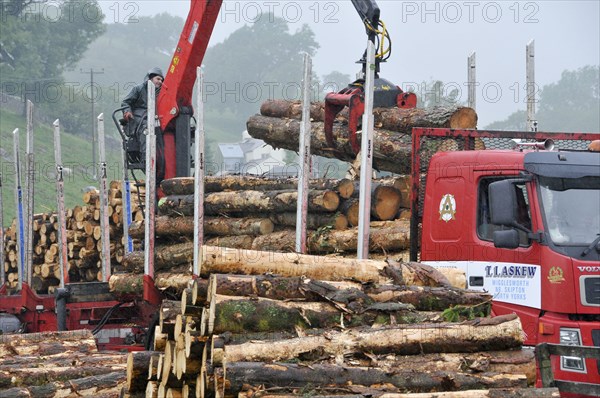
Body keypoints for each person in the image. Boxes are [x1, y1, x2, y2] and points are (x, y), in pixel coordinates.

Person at [121, 67, 165, 182]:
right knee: (146, 129)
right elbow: (126, 102)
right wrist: (127, 111)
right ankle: (147, 159)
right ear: (150, 78)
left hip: (154, 118)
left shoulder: (161, 93)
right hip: (138, 119)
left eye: (161, 80)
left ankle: (163, 158)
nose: (160, 82)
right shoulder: (138, 89)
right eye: (158, 79)